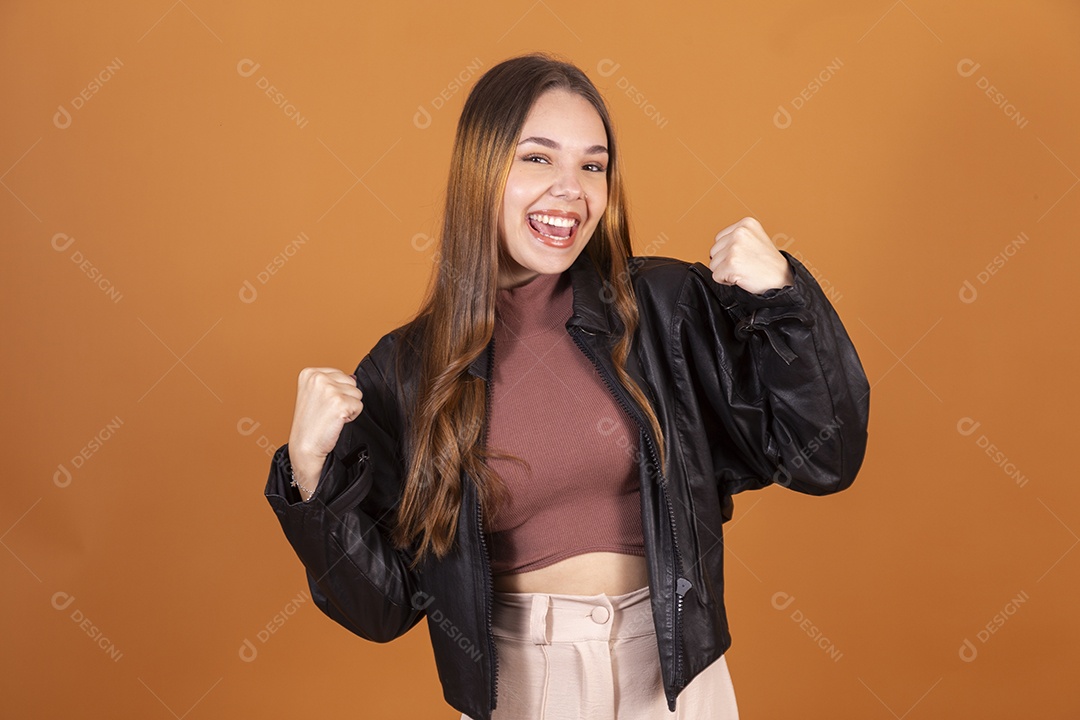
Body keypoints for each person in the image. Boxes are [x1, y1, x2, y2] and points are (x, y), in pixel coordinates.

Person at [263, 52, 870, 720]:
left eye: (592, 166)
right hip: (522, 689)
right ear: (481, 169)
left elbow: (824, 457)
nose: (571, 190)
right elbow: (380, 608)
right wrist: (309, 474)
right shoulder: (407, 370)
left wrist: (783, 299)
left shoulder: (664, 307)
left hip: (677, 682)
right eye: (538, 158)